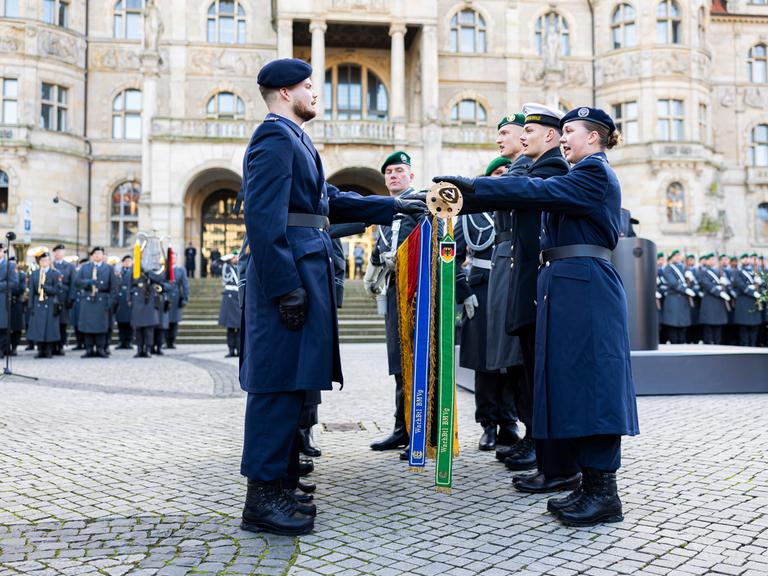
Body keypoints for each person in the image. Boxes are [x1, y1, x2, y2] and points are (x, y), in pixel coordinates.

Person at [240, 58, 424, 536]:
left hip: (307, 268)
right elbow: (262, 220)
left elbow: (329, 200)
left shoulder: (295, 139)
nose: (315, 93)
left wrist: (394, 206)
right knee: (277, 386)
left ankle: (280, 482)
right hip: (291, 274)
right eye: (307, 85)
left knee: (296, 382)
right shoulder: (274, 138)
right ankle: (262, 497)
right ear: (284, 93)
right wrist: (286, 286)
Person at [435, 105, 639, 526]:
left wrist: (471, 186)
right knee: (569, 383)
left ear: (595, 137)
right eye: (561, 132)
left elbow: (535, 193)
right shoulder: (578, 172)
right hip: (565, 283)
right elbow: (528, 193)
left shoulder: (594, 172)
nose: (563, 138)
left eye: (571, 132)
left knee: (592, 383)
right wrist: (464, 197)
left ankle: (604, 491)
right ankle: (585, 481)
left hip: (584, 282)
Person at [456, 157, 519, 453]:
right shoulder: (471, 214)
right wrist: (463, 291)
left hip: (510, 290)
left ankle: (509, 423)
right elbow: (450, 255)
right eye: (497, 174)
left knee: (510, 361)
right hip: (480, 291)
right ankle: (488, 425)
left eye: (507, 173)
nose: (502, 177)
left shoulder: (518, 209)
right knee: (484, 363)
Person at [366, 151, 422, 455]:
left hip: (416, 293)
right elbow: (381, 248)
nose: (393, 176)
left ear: (411, 175)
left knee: (417, 362)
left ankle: (420, 430)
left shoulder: (422, 204)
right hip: (393, 292)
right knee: (399, 363)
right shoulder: (386, 212)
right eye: (388, 171)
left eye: (399, 170)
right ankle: (401, 428)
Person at [486, 115, 529, 465]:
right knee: (510, 354)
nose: (500, 139)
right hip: (505, 259)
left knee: (522, 354)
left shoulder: (526, 171)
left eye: (506, 133)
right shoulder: (517, 170)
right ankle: (528, 433)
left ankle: (534, 435)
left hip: (518, 259)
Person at [75, 247, 116, 358]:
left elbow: (113, 287)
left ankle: (100, 348)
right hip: (88, 299)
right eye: (95, 253)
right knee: (88, 326)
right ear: (92, 255)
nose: (98, 255)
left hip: (102, 299)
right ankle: (89, 349)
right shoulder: (85, 268)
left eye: (100, 253)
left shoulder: (109, 268)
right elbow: (77, 282)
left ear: (103, 255)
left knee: (101, 326)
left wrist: (111, 301)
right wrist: (88, 282)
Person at [27, 249, 63, 359]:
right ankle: (40, 350)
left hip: (50, 303)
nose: (44, 262)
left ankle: (48, 350)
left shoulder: (55, 273)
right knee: (38, 328)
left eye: (46, 260)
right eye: (42, 260)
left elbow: (57, 290)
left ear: (49, 261)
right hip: (38, 303)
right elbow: (32, 291)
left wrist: (46, 288)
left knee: (49, 329)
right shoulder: (35, 274)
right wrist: (31, 306)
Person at [697, 253, 731, 345]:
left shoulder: (719, 271)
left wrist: (725, 285)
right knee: (708, 325)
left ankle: (717, 343)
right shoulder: (703, 272)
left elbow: (727, 285)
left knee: (718, 325)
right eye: (710, 259)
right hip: (709, 301)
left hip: (719, 302)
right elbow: (706, 284)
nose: (712, 261)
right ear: (706, 261)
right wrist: (719, 292)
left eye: (713, 259)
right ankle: (708, 344)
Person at [661, 250, 693, 344]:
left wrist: (690, 279)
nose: (678, 258)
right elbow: (673, 283)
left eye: (679, 256)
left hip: (683, 300)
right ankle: (674, 344)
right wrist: (684, 289)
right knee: (673, 324)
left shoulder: (683, 268)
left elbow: (689, 284)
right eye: (675, 256)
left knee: (683, 324)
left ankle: (682, 343)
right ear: (671, 258)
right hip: (673, 299)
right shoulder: (668, 268)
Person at [130, 264, 160, 358]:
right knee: (138, 328)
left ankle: (148, 349)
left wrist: (149, 273)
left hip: (149, 302)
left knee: (148, 329)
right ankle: (139, 349)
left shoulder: (153, 272)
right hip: (138, 301)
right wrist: (129, 299)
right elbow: (130, 285)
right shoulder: (134, 273)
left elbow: (159, 280)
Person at [51, 244, 75, 355]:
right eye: (56, 252)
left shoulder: (69, 266)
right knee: (52, 322)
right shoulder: (50, 265)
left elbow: (73, 283)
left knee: (62, 323)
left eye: (60, 251)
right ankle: (52, 345)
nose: (58, 254)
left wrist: (71, 298)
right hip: (53, 296)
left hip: (64, 297)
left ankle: (60, 346)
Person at [733, 253, 762, 347]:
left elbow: (762, 286)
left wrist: (760, 283)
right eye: (743, 258)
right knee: (744, 326)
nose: (746, 260)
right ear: (741, 260)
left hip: (754, 301)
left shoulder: (755, 271)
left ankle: (753, 344)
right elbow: (740, 284)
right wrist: (752, 291)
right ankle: (744, 344)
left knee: (755, 325)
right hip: (743, 301)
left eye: (747, 258)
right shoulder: (738, 271)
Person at [219, 253, 240, 357]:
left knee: (240, 328)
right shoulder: (227, 267)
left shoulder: (240, 266)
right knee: (230, 327)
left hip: (239, 298)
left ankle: (239, 350)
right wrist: (227, 261)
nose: (236, 259)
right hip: (230, 298)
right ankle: (231, 349)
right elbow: (226, 278)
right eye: (234, 257)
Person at [0, 243, 19, 357]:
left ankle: (2, 350)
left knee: (2, 328)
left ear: (3, 252)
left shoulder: (10, 266)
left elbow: (13, 283)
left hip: (2, 301)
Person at [166, 258, 189, 349]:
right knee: (165, 321)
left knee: (174, 322)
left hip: (176, 298)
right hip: (166, 297)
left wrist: (185, 298)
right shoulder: (164, 269)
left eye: (174, 257)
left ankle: (172, 341)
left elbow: (185, 284)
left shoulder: (180, 270)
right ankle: (165, 341)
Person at [115, 255, 134, 349]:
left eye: (129, 261)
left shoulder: (134, 272)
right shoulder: (118, 272)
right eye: (126, 261)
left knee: (130, 322)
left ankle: (129, 341)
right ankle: (121, 341)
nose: (127, 263)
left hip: (128, 298)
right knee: (120, 323)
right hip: (120, 300)